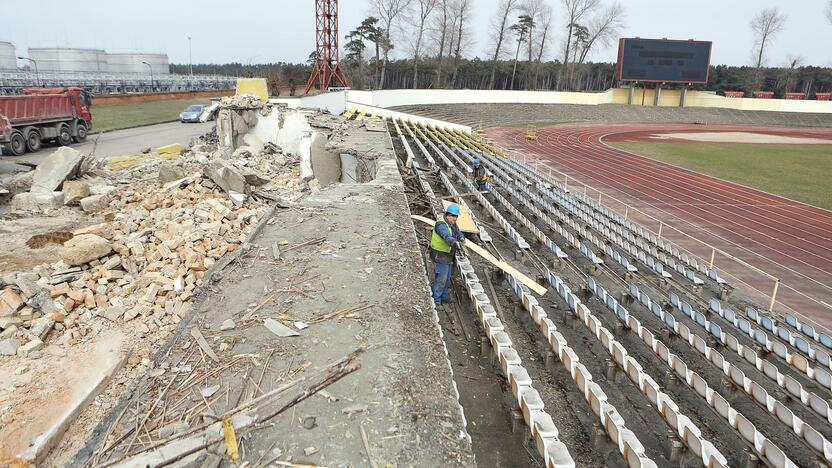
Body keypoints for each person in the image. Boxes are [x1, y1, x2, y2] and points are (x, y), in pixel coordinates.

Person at [430, 204, 465, 306]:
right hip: (440, 255)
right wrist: (456, 243)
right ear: (447, 215)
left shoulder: (452, 222)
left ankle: (444, 296)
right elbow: (447, 236)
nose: (455, 218)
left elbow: (457, 230)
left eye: (456, 216)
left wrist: (461, 237)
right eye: (453, 216)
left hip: (448, 255)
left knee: (447, 277)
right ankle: (436, 300)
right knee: (441, 278)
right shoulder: (441, 225)